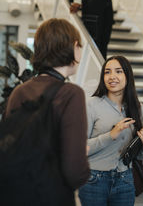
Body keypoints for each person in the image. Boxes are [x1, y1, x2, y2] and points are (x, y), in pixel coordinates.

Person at [5, 18, 90, 206]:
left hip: (17, 194)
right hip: (51, 195)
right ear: (75, 47)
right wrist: (82, 155)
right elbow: (75, 174)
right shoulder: (71, 94)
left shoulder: (19, 91)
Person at [79, 55, 143, 206]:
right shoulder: (91, 105)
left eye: (118, 71)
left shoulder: (138, 109)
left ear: (127, 76)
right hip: (94, 180)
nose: (112, 76)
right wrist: (110, 135)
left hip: (125, 179)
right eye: (107, 72)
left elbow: (138, 154)